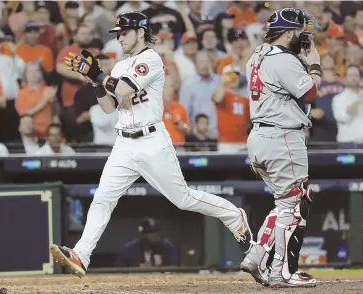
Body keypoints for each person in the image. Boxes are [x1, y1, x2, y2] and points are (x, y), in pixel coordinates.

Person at [50, 11, 251, 278]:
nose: (119, 37)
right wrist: (94, 81)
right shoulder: (121, 66)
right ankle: (81, 254)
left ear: (140, 32)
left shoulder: (151, 59)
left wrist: (99, 73)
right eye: (118, 33)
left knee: (183, 199)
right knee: (102, 199)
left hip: (152, 141)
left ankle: (234, 216)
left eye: (124, 32)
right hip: (124, 142)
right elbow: (111, 106)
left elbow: (123, 90)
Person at [241, 8, 321, 288]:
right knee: (297, 201)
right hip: (282, 137)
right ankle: (283, 272)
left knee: (285, 202)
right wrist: (314, 65)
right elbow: (310, 92)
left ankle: (257, 254)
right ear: (289, 32)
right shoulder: (283, 60)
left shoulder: (258, 54)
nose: (304, 36)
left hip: (260, 137)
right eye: (300, 31)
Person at [114, 217, 179, 267]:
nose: (155, 235)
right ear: (142, 234)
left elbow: (175, 270)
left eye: (157, 231)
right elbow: (119, 272)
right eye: (151, 232)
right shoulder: (128, 250)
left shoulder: (168, 248)